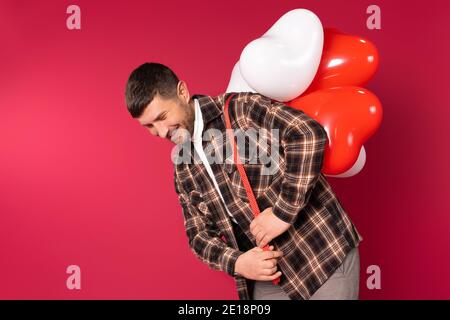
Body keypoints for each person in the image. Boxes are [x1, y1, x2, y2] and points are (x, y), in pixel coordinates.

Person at [125, 62, 362, 300]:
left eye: (162, 117)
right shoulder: (183, 167)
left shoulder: (241, 110)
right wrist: (237, 263)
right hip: (268, 280)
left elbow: (307, 134)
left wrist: (283, 212)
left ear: (182, 92)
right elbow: (198, 235)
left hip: (320, 255)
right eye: (149, 126)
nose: (161, 131)